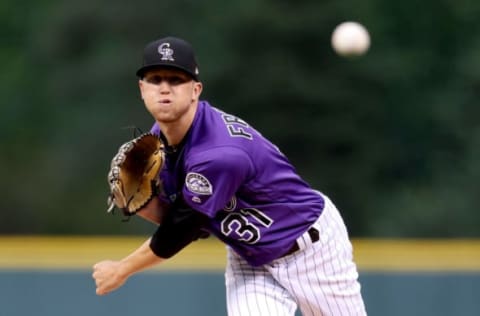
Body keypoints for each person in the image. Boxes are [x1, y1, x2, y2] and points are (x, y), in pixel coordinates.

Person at [92, 36, 367, 316]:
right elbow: (193, 224)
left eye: (176, 80)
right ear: (142, 88)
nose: (164, 88)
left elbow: (181, 230)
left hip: (310, 248)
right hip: (250, 257)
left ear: (195, 90)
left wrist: (122, 269)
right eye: (155, 79)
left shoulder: (218, 154)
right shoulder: (156, 145)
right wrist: (139, 203)